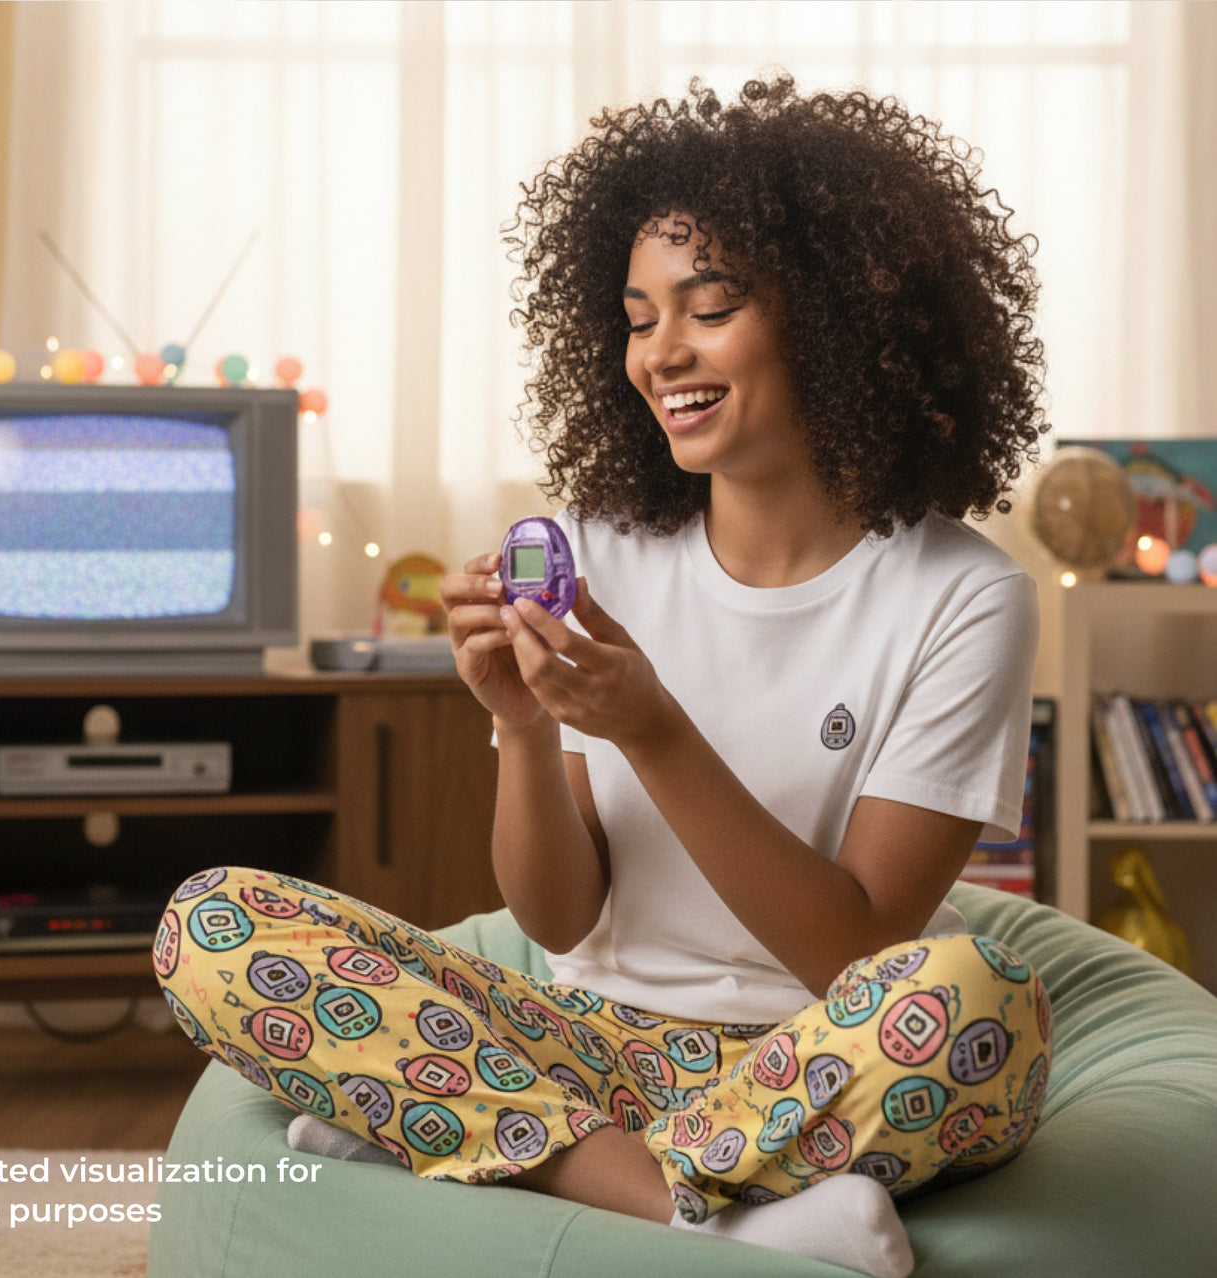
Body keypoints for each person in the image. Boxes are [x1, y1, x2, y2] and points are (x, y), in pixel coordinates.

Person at [154, 75, 1052, 1278]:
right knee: (210, 922)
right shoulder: (606, 551)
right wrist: (521, 729)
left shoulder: (962, 599)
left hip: (806, 1056)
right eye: (635, 318)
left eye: (708, 307)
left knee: (977, 1001)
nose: (659, 352)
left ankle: (482, 1143)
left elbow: (859, 955)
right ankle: (691, 1200)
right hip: (580, 1038)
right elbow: (557, 919)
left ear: (836, 320)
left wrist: (657, 733)